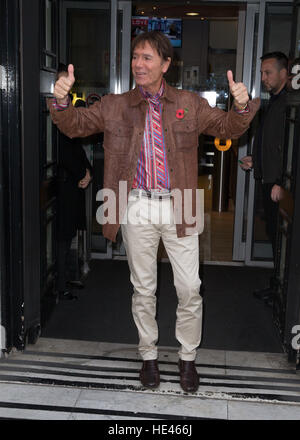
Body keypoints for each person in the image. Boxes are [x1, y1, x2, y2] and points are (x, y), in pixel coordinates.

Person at [48, 31, 259, 392]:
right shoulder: (116, 104)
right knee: (143, 288)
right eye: (135, 57)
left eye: (147, 58)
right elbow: (75, 125)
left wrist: (241, 106)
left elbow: (228, 127)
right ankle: (148, 356)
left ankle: (187, 358)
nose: (138, 64)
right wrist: (61, 101)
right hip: (133, 203)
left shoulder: (189, 103)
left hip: (183, 202)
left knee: (190, 287)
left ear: (165, 64)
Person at [239, 52, 288, 304]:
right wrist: (255, 161)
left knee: (281, 238)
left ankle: (282, 291)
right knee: (273, 233)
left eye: (268, 72)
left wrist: (282, 182)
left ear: (283, 73)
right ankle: (277, 286)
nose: (263, 78)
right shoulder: (275, 102)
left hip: (277, 185)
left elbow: (290, 149)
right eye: (261, 73)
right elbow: (272, 145)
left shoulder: (289, 104)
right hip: (268, 179)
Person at [56, 66, 93, 300]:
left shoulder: (68, 108)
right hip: (61, 186)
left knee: (67, 235)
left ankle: (65, 278)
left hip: (73, 184)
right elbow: (62, 150)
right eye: (62, 82)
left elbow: (76, 146)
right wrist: (83, 172)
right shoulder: (53, 110)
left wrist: (88, 171)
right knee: (60, 236)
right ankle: (59, 286)